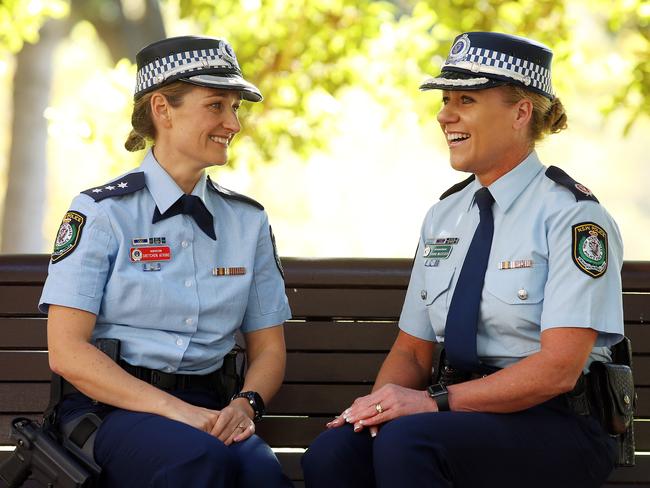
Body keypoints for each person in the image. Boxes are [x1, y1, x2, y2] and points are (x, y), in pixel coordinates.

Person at [301, 31, 623, 487]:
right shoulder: (445, 215)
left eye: (465, 100)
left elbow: (558, 370)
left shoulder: (573, 217)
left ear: (521, 112)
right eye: (445, 99)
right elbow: (413, 351)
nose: (444, 115)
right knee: (333, 455)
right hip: (454, 410)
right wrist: (375, 412)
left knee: (409, 444)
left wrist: (433, 403)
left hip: (557, 419)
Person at [39, 35, 293, 488]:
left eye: (236, 108)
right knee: (197, 463)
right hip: (109, 409)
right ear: (162, 109)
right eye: (217, 105)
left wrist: (244, 405)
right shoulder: (101, 213)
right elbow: (67, 351)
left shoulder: (247, 221)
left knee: (261, 474)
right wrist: (177, 412)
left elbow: (268, 346)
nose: (233, 124)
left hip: (209, 404)